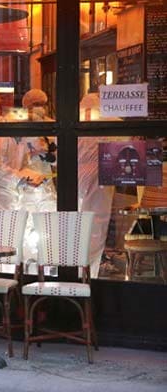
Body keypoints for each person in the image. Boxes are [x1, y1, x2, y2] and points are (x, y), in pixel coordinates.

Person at [0, 89, 57, 269]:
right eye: (35, 105)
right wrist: (22, 177)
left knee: (29, 232)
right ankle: (9, 274)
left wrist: (45, 157)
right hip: (4, 193)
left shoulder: (22, 137)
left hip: (25, 188)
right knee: (12, 234)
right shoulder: (3, 136)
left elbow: (20, 163)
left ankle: (26, 270)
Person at [77, 93, 118, 278]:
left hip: (75, 178)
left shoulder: (73, 119)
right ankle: (89, 272)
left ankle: (75, 269)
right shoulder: (111, 121)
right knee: (96, 225)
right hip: (102, 177)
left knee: (75, 224)